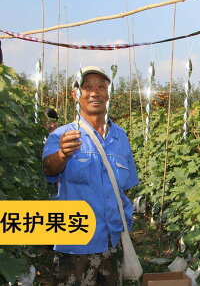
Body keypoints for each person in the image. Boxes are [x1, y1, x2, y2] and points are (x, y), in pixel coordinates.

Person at [42, 66, 139, 286]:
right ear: (76, 95)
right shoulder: (63, 135)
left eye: (101, 87)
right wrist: (62, 154)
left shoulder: (120, 137)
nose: (95, 92)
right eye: (87, 87)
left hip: (113, 242)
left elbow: (125, 186)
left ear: (108, 93)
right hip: (76, 242)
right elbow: (49, 169)